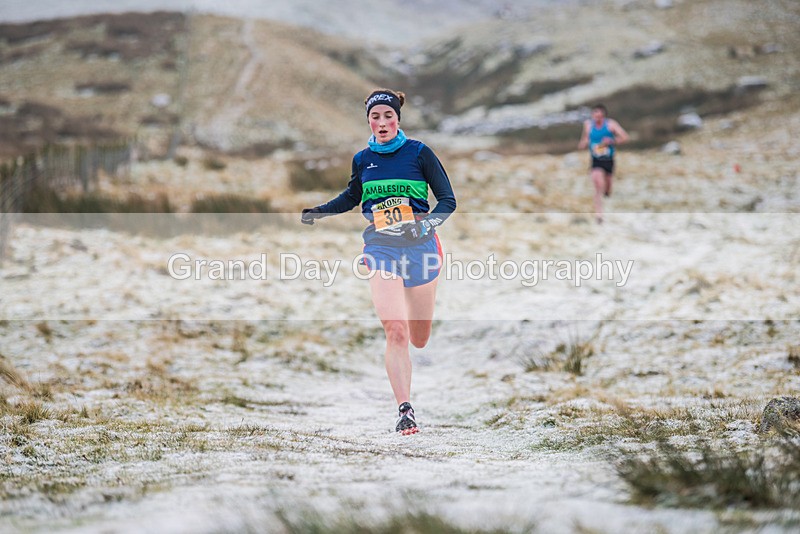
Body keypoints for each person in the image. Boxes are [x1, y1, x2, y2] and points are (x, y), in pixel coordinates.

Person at [301, 88, 457, 435]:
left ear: (398, 119)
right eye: (376, 117)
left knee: (419, 337)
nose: (382, 122)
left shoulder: (419, 153)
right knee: (396, 330)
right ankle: (405, 410)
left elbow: (448, 200)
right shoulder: (362, 159)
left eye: (388, 116)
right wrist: (320, 211)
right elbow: (352, 197)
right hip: (381, 248)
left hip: (420, 248)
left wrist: (425, 225)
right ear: (369, 121)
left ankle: (422, 298)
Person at [577, 104, 629, 223]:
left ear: (604, 116)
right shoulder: (588, 125)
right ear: (592, 116)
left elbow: (625, 137)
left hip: (608, 159)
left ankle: (607, 191)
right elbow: (585, 138)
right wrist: (583, 144)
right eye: (595, 116)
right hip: (596, 159)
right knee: (598, 184)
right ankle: (599, 215)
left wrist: (612, 141)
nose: (597, 119)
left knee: (607, 187)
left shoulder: (611, 124)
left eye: (600, 117)